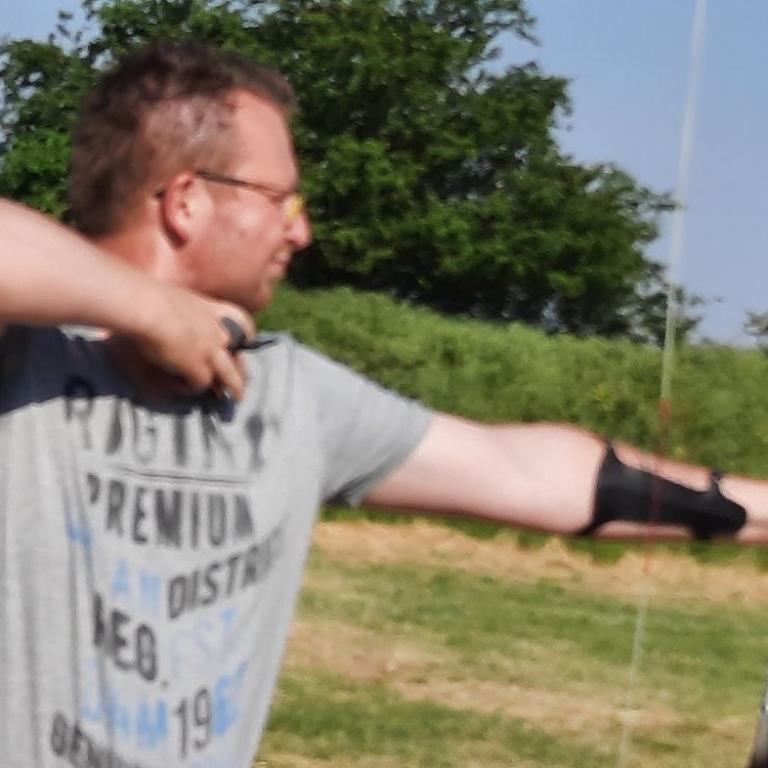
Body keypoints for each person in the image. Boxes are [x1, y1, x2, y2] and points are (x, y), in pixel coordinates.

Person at [1, 39, 766, 768]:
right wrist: (150, 310)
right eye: (280, 200)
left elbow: (532, 473)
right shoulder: (28, 357)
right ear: (187, 201)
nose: (301, 232)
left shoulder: (291, 396)